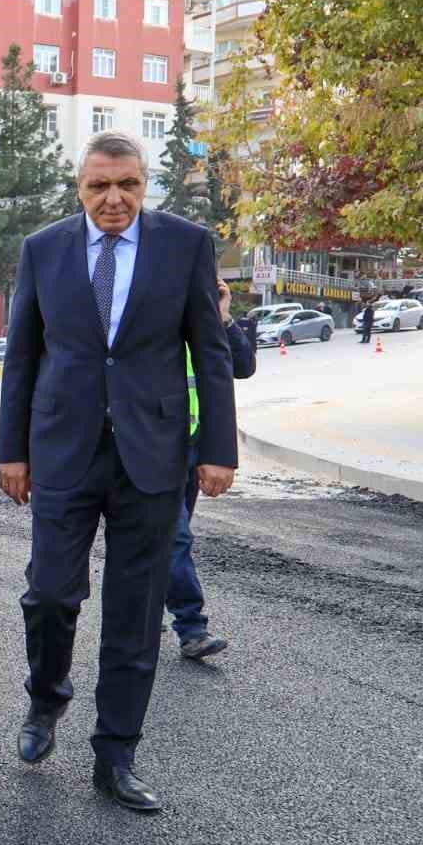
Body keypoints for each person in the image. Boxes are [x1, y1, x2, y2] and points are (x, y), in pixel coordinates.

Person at [0, 131, 238, 813]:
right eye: (99, 185)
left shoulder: (186, 245)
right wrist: (13, 451)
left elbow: (210, 350)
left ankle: (116, 753)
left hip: (153, 453)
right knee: (50, 592)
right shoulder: (43, 249)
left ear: (144, 185)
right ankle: (46, 698)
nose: (113, 198)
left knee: (135, 611)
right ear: (79, 187)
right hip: (62, 449)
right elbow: (23, 355)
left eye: (127, 184)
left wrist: (219, 448)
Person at [168, 277, 256, 659]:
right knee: (174, 537)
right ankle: (191, 628)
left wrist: (224, 317)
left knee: (162, 540)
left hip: (193, 446)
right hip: (156, 448)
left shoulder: (206, 322)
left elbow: (244, 366)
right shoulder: (158, 320)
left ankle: (141, 607)